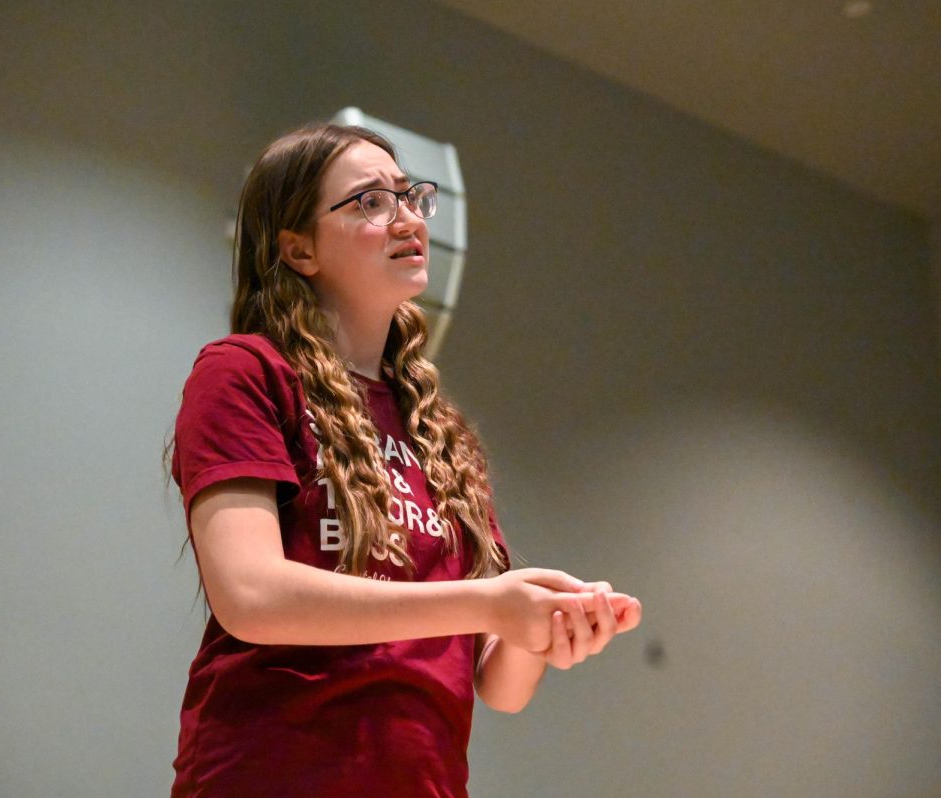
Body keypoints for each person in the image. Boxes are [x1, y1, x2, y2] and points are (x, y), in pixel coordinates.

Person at [163, 121, 642, 797]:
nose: (407, 217)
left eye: (411, 197)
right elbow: (251, 596)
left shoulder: (440, 429)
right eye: (369, 202)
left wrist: (542, 628)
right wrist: (487, 601)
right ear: (299, 250)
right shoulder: (245, 373)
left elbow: (496, 685)